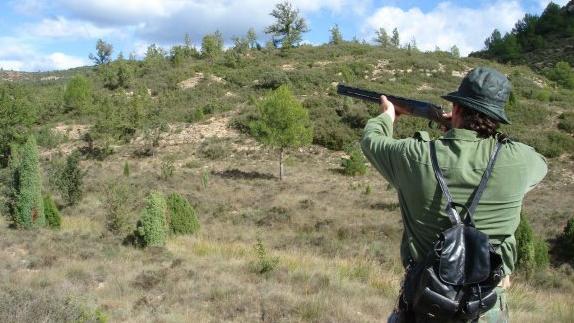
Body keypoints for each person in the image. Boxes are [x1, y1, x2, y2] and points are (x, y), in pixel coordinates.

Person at [360, 67, 547, 322]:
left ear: (456, 109)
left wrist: (387, 116)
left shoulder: (414, 155)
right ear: (497, 118)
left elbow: (372, 140)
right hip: (486, 305)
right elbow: (539, 160)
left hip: (425, 303)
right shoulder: (521, 161)